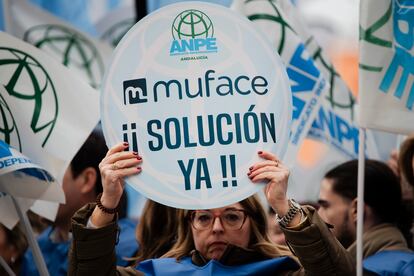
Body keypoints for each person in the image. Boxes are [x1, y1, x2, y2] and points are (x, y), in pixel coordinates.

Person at [68, 144, 355, 275]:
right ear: (189, 225)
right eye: (204, 218)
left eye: (231, 216)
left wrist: (282, 205)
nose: (216, 228)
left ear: (253, 222)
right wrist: (107, 202)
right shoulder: (158, 273)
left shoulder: (283, 271)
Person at [21, 130, 138, 276]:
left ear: (87, 180)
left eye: (51, 173)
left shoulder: (130, 250)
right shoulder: (35, 250)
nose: (39, 182)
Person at [318, 159, 414, 273]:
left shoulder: (363, 271)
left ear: (357, 210)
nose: (318, 214)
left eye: (325, 206)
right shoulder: (406, 264)